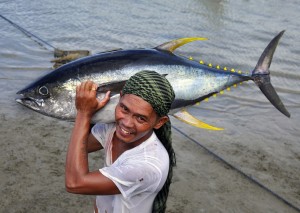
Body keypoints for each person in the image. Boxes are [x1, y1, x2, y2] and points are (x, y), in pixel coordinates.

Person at [65, 70, 176, 213]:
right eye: (124, 108)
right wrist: (93, 109)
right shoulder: (112, 129)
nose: (127, 123)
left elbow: (74, 183)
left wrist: (83, 112)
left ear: (160, 122)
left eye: (141, 118)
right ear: (120, 97)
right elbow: (80, 147)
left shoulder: (147, 165)